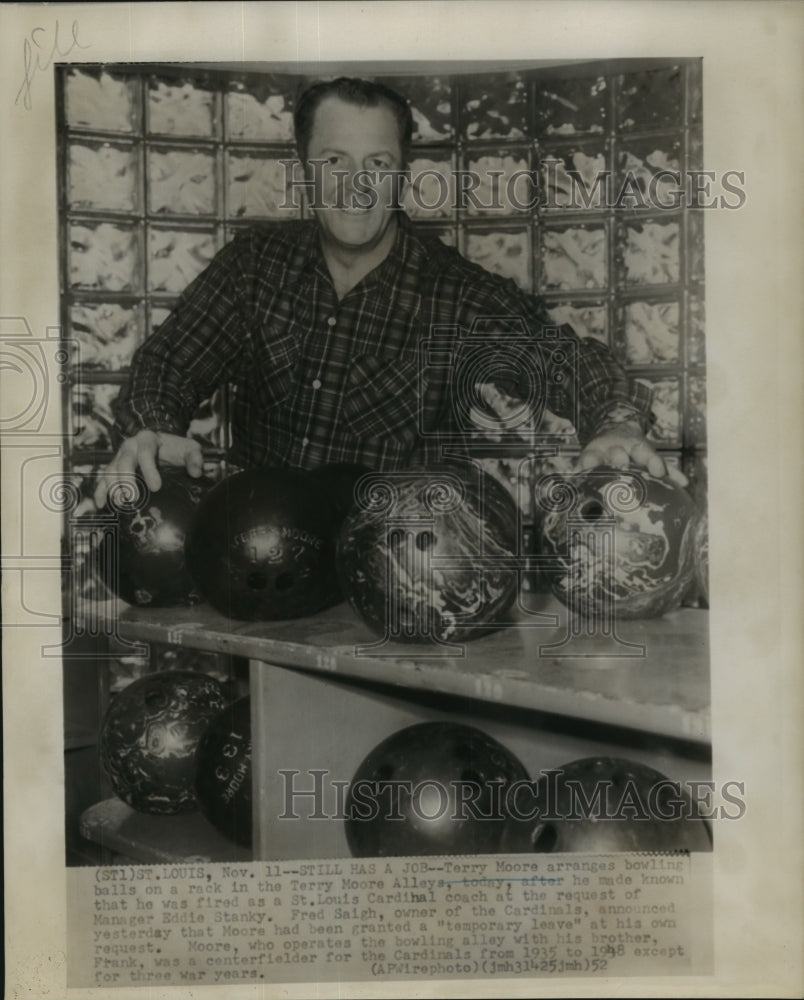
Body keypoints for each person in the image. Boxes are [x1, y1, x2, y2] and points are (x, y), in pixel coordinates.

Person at [94, 76, 665, 509]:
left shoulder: (457, 295)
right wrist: (152, 429)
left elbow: (573, 364)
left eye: (378, 163)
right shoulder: (253, 267)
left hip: (398, 581)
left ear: (401, 175)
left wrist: (616, 423)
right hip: (260, 568)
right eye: (334, 161)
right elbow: (167, 365)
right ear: (304, 169)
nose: (356, 186)